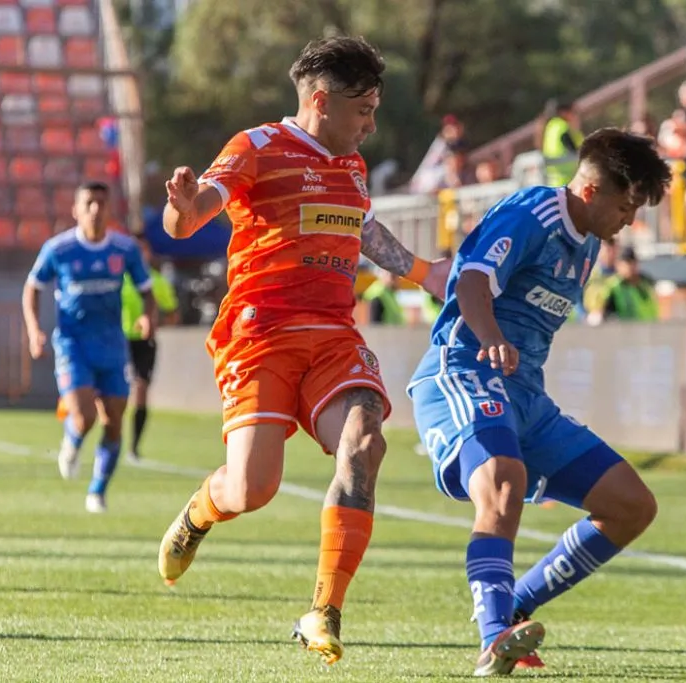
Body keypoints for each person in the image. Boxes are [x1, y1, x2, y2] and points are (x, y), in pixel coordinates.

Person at [156, 36, 449, 666]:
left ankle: (323, 609)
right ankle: (201, 510)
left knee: (366, 441)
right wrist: (181, 213)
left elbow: (363, 228)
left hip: (332, 335)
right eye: (363, 110)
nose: (370, 125)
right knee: (252, 488)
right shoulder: (255, 147)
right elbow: (195, 214)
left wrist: (426, 271)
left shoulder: (352, 166)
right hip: (259, 336)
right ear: (321, 101)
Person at [407, 128, 671, 676]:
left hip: (526, 394)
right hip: (464, 371)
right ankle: (492, 636)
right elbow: (472, 282)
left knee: (631, 506)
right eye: (626, 206)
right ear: (594, 190)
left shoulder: (591, 242)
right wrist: (490, 339)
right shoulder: (532, 214)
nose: (629, 220)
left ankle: (514, 607)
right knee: (504, 481)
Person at [22, 181, 156, 514]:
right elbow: (32, 287)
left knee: (113, 420)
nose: (95, 209)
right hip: (73, 344)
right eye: (88, 203)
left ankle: (97, 491)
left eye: (101, 203)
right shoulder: (59, 249)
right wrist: (34, 330)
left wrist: (148, 318)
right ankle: (73, 440)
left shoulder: (124, 250)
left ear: (109, 209)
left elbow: (147, 291)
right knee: (83, 416)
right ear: (76, 210)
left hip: (112, 346)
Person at [122, 236, 180, 461]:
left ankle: (134, 447)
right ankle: (111, 440)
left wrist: (155, 324)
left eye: (142, 250)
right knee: (113, 393)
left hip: (145, 342)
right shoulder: (120, 279)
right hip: (118, 340)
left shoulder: (157, 282)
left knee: (141, 389)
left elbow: (173, 314)